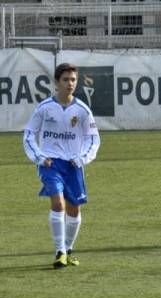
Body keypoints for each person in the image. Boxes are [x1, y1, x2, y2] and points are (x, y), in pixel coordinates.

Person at [23, 63, 101, 269]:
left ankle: (68, 249)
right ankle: (60, 252)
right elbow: (29, 135)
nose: (70, 83)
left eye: (73, 80)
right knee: (58, 204)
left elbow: (93, 139)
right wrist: (40, 157)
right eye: (66, 79)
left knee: (74, 211)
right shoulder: (44, 108)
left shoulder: (83, 110)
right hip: (50, 163)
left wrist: (82, 158)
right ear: (57, 82)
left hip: (74, 165)